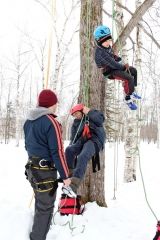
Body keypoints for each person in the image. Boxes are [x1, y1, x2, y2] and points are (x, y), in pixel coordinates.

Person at [23, 89, 70, 240]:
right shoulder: (51, 122)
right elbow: (58, 152)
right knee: (45, 208)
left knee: (41, 204)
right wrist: (66, 176)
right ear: (51, 104)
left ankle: (38, 233)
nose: (56, 106)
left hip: (32, 170)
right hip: (44, 173)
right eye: (56, 103)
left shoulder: (28, 122)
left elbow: (28, 146)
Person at [62, 103, 106, 198]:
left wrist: (89, 112)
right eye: (74, 115)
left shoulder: (92, 115)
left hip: (94, 140)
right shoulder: (76, 123)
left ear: (82, 111)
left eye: (77, 113)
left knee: (83, 156)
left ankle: (74, 185)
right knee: (69, 150)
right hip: (82, 140)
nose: (76, 116)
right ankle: (69, 175)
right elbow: (73, 137)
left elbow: (101, 120)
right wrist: (72, 147)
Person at [94, 25, 141, 110]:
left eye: (109, 40)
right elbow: (112, 63)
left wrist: (119, 59)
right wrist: (123, 67)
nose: (108, 43)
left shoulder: (106, 47)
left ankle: (132, 91)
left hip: (115, 68)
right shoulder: (100, 53)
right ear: (99, 41)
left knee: (133, 71)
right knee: (129, 78)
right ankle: (128, 99)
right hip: (109, 72)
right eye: (105, 41)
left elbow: (112, 56)